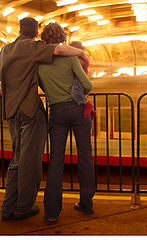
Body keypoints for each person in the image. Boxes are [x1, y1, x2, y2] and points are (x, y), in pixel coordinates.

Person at [0, 17, 89, 221]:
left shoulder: (5, 50)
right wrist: (80, 52)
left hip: (11, 110)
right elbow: (58, 50)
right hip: (30, 110)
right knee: (30, 161)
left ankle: (7, 207)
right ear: (36, 33)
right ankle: (23, 207)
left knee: (16, 158)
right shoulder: (32, 46)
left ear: (19, 30)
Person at [38, 22, 96, 225]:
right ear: (62, 38)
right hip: (79, 111)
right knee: (85, 157)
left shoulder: (39, 63)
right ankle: (86, 204)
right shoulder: (71, 58)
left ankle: (52, 212)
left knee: (55, 161)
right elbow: (88, 84)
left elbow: (42, 86)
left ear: (44, 39)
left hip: (57, 112)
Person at [69, 41, 96, 119]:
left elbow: (77, 68)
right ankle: (90, 110)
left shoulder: (81, 59)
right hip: (78, 78)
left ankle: (87, 104)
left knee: (74, 92)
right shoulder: (79, 57)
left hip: (79, 80)